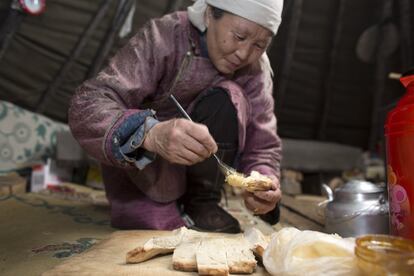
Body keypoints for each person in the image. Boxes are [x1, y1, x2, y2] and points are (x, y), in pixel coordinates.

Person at [68, 0, 283, 233]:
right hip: (145, 175)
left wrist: (264, 181)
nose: (244, 54)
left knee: (229, 96)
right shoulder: (163, 36)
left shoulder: (256, 69)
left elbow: (262, 144)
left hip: (204, 187)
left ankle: (202, 202)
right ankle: (161, 205)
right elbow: (89, 103)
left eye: (260, 45)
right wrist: (151, 134)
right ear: (210, 14)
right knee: (158, 233)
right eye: (239, 36)